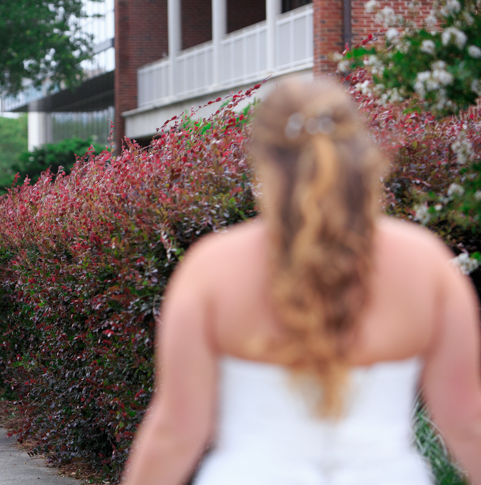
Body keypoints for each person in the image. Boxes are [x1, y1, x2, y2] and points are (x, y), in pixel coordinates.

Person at [122, 79, 481, 484]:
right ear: (361, 154)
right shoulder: (426, 263)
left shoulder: (212, 270)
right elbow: (467, 424)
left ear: (263, 161)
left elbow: (175, 433)